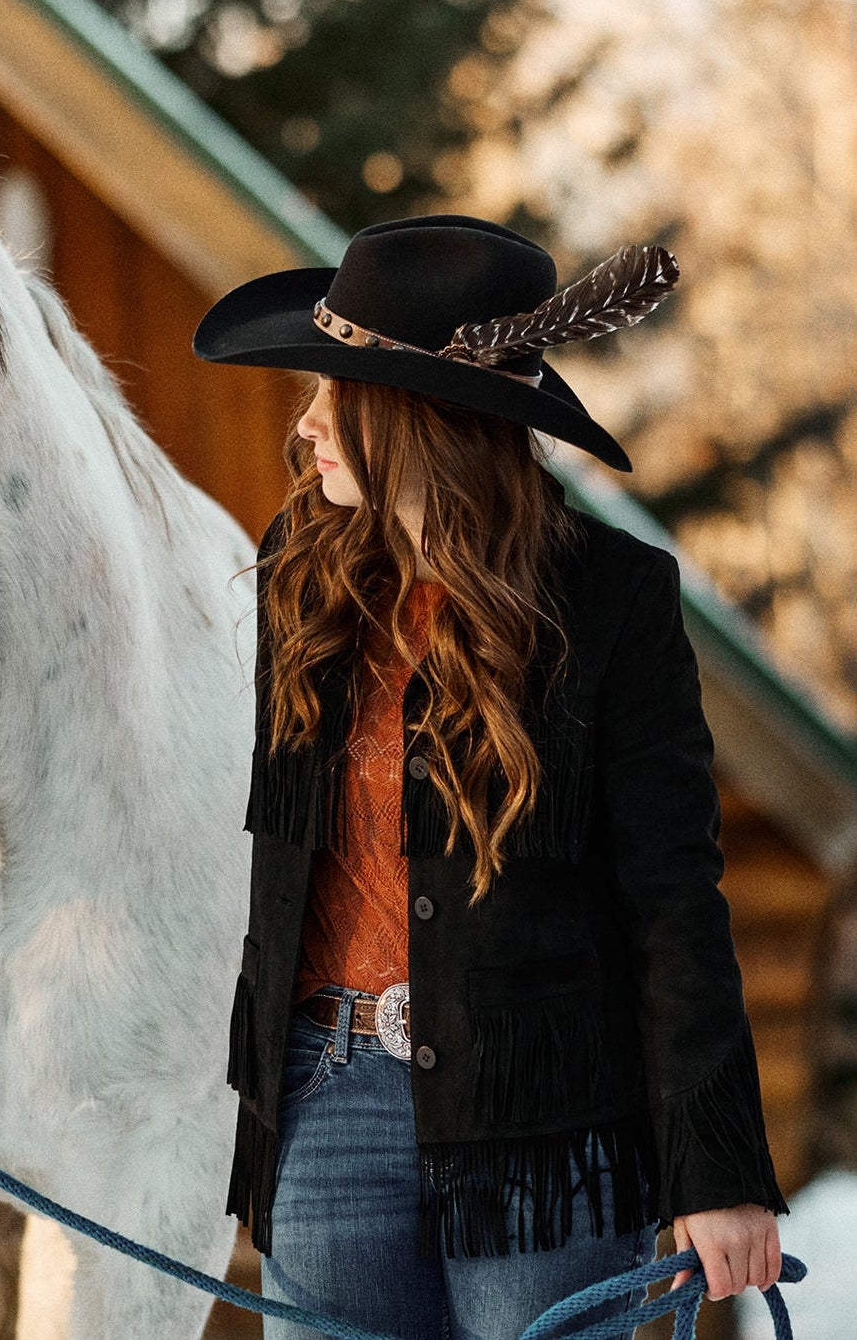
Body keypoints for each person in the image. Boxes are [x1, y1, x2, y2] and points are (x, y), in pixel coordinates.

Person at [192, 216, 789, 1340]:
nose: (306, 422)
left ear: (416, 415)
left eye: (336, 392)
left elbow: (672, 895)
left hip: (547, 1124)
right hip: (324, 1097)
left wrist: (717, 1167)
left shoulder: (608, 598)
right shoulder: (297, 576)